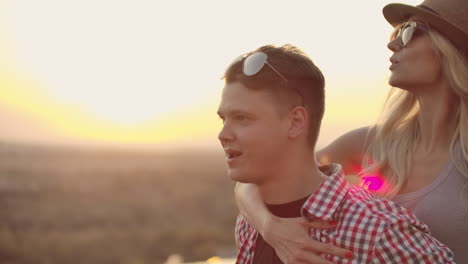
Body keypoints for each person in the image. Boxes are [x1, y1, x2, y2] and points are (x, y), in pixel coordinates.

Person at [233, 0, 468, 263]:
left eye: (409, 31)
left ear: (449, 47)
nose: (393, 44)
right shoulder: (370, 143)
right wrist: (272, 229)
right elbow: (260, 179)